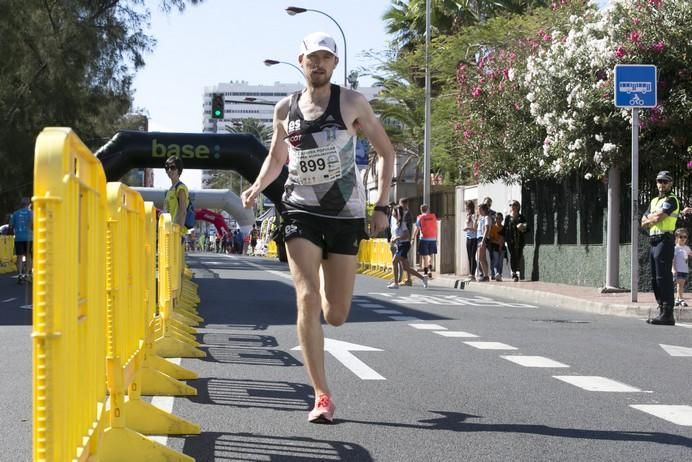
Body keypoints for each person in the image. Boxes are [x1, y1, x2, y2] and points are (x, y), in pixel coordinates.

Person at [240, 31, 394, 424]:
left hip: (344, 215)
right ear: (302, 61)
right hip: (298, 211)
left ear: (335, 64)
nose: (319, 64)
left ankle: (328, 284)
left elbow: (386, 152)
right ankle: (322, 395)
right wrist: (258, 186)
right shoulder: (285, 109)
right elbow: (277, 157)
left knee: (337, 313)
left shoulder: (352, 103)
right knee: (306, 298)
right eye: (313, 58)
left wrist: (383, 206)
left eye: (326, 58)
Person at [641, 170, 679, 326]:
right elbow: (643, 221)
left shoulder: (672, 199)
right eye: (659, 181)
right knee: (655, 278)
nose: (662, 184)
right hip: (654, 241)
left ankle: (668, 313)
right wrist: (652, 217)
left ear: (670, 184)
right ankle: (661, 309)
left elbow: (658, 217)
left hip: (665, 240)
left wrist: (652, 217)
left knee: (664, 277)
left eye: (665, 181)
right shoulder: (655, 200)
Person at [387, 204, 428, 289]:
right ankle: (423, 278)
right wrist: (393, 238)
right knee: (406, 268)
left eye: (394, 212)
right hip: (400, 245)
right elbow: (395, 234)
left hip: (404, 245)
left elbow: (407, 236)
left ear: (398, 213)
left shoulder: (403, 224)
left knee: (394, 261)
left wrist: (397, 238)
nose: (393, 213)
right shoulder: (396, 223)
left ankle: (396, 283)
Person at [10, 197, 33, 284]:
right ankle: (27, 275)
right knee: (28, 256)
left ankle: (19, 274)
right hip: (29, 238)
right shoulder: (31, 213)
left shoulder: (15, 214)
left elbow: (11, 226)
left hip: (18, 238)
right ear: (29, 204)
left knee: (19, 256)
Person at [504, 200, 528, 282]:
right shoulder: (508, 218)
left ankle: (518, 272)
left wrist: (523, 227)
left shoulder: (521, 217)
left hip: (519, 240)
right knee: (513, 255)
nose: (512, 206)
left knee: (519, 255)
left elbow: (527, 228)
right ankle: (514, 273)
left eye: (514, 205)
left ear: (518, 206)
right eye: (511, 205)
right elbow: (505, 229)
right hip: (511, 241)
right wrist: (505, 239)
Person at [412, 204, 438, 279]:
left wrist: (413, 238)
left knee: (424, 256)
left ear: (421, 210)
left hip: (424, 239)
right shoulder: (433, 217)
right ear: (428, 209)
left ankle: (426, 272)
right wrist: (436, 238)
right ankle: (430, 270)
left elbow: (417, 229)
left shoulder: (420, 217)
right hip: (433, 238)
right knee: (430, 255)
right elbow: (436, 227)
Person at [163, 156, 189, 229]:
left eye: (172, 167)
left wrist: (178, 232)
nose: (169, 170)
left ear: (179, 170)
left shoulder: (180, 188)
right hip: (169, 230)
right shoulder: (170, 190)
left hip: (175, 232)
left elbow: (183, 212)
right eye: (167, 168)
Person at [672, 228, 692, 308]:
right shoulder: (675, 248)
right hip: (678, 269)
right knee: (679, 284)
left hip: (684, 269)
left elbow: (690, 254)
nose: (683, 238)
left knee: (681, 285)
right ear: (677, 237)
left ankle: (677, 299)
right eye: (681, 237)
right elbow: (672, 259)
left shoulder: (687, 248)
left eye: (685, 237)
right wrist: (673, 269)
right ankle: (681, 299)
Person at [476, 203, 491, 281]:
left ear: (483, 209)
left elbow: (487, 229)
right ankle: (486, 275)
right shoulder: (481, 218)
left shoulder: (486, 218)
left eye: (479, 209)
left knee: (480, 258)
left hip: (482, 238)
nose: (478, 211)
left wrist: (483, 240)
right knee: (483, 258)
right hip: (479, 237)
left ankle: (486, 275)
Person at [463, 200, 477, 280]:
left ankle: (472, 273)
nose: (466, 209)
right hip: (468, 237)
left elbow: (475, 228)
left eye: (467, 207)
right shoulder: (467, 216)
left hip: (473, 238)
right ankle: (470, 273)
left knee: (472, 256)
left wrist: (468, 228)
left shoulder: (473, 216)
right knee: (469, 256)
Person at [488, 212, 505, 281]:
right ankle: (495, 274)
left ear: (502, 219)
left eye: (500, 218)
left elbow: (504, 238)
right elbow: (491, 239)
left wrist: (501, 244)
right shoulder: (493, 227)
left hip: (502, 247)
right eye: (497, 218)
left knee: (500, 262)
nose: (498, 220)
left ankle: (499, 274)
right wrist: (498, 242)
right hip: (495, 247)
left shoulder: (504, 228)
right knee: (496, 261)